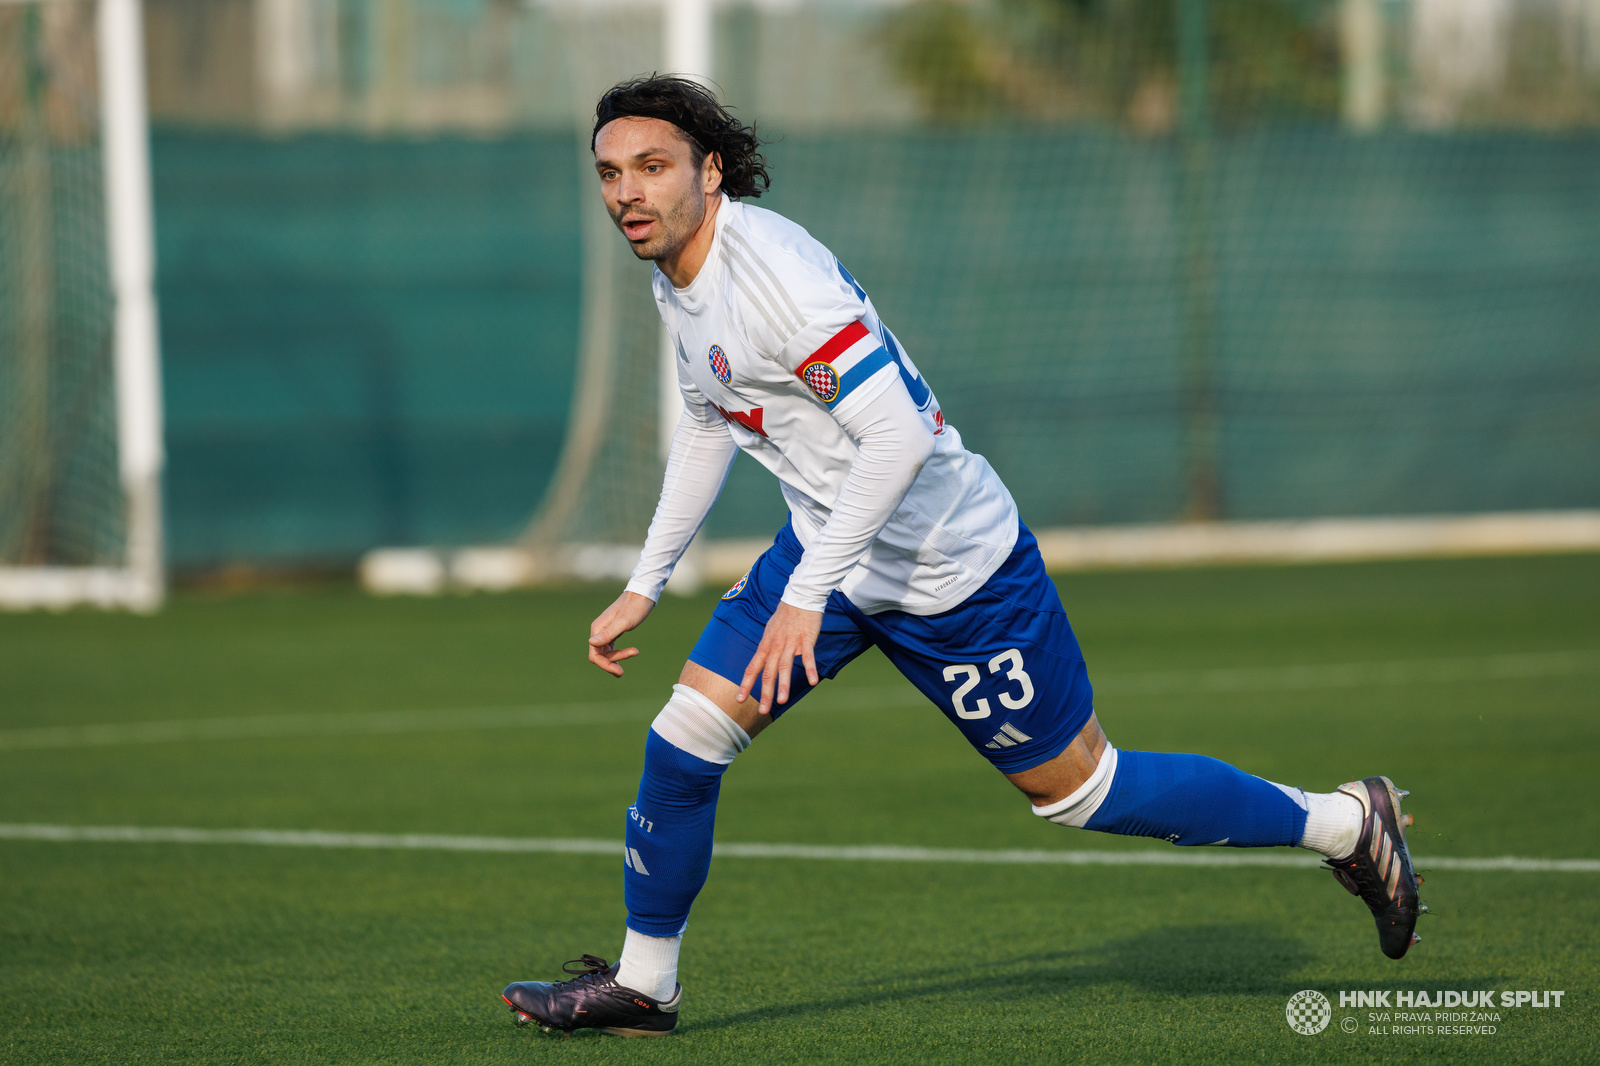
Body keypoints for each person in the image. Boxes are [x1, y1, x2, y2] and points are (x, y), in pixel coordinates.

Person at [502, 75, 1423, 1038]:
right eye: (611, 173)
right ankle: (646, 988)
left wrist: (806, 595)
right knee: (685, 741)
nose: (628, 193)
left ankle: (1347, 824)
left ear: (712, 170)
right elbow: (708, 418)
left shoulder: (774, 277)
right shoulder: (676, 277)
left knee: (1082, 794)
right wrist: (647, 582)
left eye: (652, 168)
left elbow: (897, 437)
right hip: (831, 546)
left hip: (953, 570)